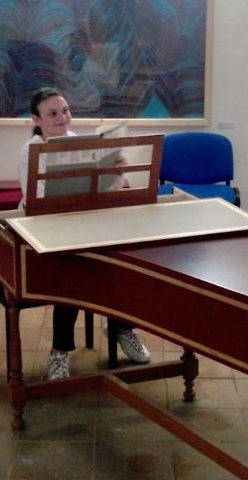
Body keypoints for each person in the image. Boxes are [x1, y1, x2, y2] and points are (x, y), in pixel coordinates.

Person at [18, 87, 151, 380]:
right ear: (36, 120)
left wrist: (117, 172)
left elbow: (104, 190)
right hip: (46, 229)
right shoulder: (31, 150)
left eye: (65, 110)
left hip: (82, 223)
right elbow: (33, 203)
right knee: (75, 274)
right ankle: (60, 351)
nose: (63, 118)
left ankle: (120, 327)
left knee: (121, 262)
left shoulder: (76, 141)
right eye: (53, 113)